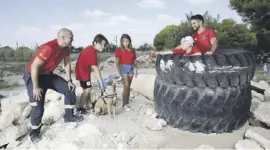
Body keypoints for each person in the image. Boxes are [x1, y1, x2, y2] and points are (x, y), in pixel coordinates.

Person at [23, 28, 83, 143]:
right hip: (34, 75)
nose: (73, 40)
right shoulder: (48, 48)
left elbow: (67, 63)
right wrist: (36, 87)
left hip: (47, 75)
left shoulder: (66, 49)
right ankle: (34, 133)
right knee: (37, 104)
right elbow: (34, 67)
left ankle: (69, 117)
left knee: (69, 88)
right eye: (71, 38)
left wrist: (69, 80)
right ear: (63, 38)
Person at [74, 34, 109, 114]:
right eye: (101, 44)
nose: (102, 47)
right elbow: (96, 70)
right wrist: (102, 84)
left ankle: (89, 105)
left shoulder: (91, 49)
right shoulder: (92, 52)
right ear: (95, 43)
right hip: (83, 72)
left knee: (86, 88)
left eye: (104, 45)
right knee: (88, 88)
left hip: (82, 71)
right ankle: (79, 108)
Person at [115, 34, 138, 111]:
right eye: (124, 41)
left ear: (129, 41)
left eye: (127, 41)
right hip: (123, 68)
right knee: (126, 85)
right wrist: (120, 73)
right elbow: (117, 63)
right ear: (121, 42)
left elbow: (134, 61)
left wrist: (136, 70)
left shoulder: (132, 50)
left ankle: (126, 103)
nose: (125, 43)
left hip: (131, 68)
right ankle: (124, 104)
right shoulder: (119, 50)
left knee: (128, 87)